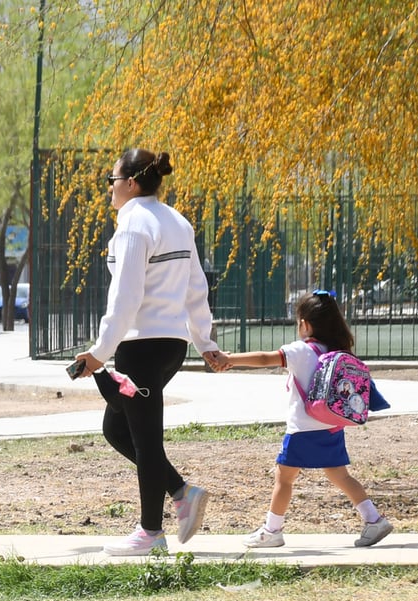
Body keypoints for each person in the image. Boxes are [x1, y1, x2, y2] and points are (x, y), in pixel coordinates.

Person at [73, 148, 227, 556]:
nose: (110, 188)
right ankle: (180, 491)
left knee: (144, 439)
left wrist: (99, 352)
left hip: (140, 347)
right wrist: (204, 341)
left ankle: (151, 532)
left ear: (132, 182)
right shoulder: (177, 221)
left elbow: (125, 298)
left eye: (112, 180)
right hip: (171, 346)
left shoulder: (133, 225)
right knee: (117, 429)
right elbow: (197, 288)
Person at [222, 290, 393, 548]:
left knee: (284, 479)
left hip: (302, 430)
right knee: (341, 476)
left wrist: (229, 359)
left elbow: (265, 358)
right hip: (332, 427)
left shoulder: (300, 351)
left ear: (306, 324)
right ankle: (373, 519)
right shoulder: (338, 350)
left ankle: (272, 530)